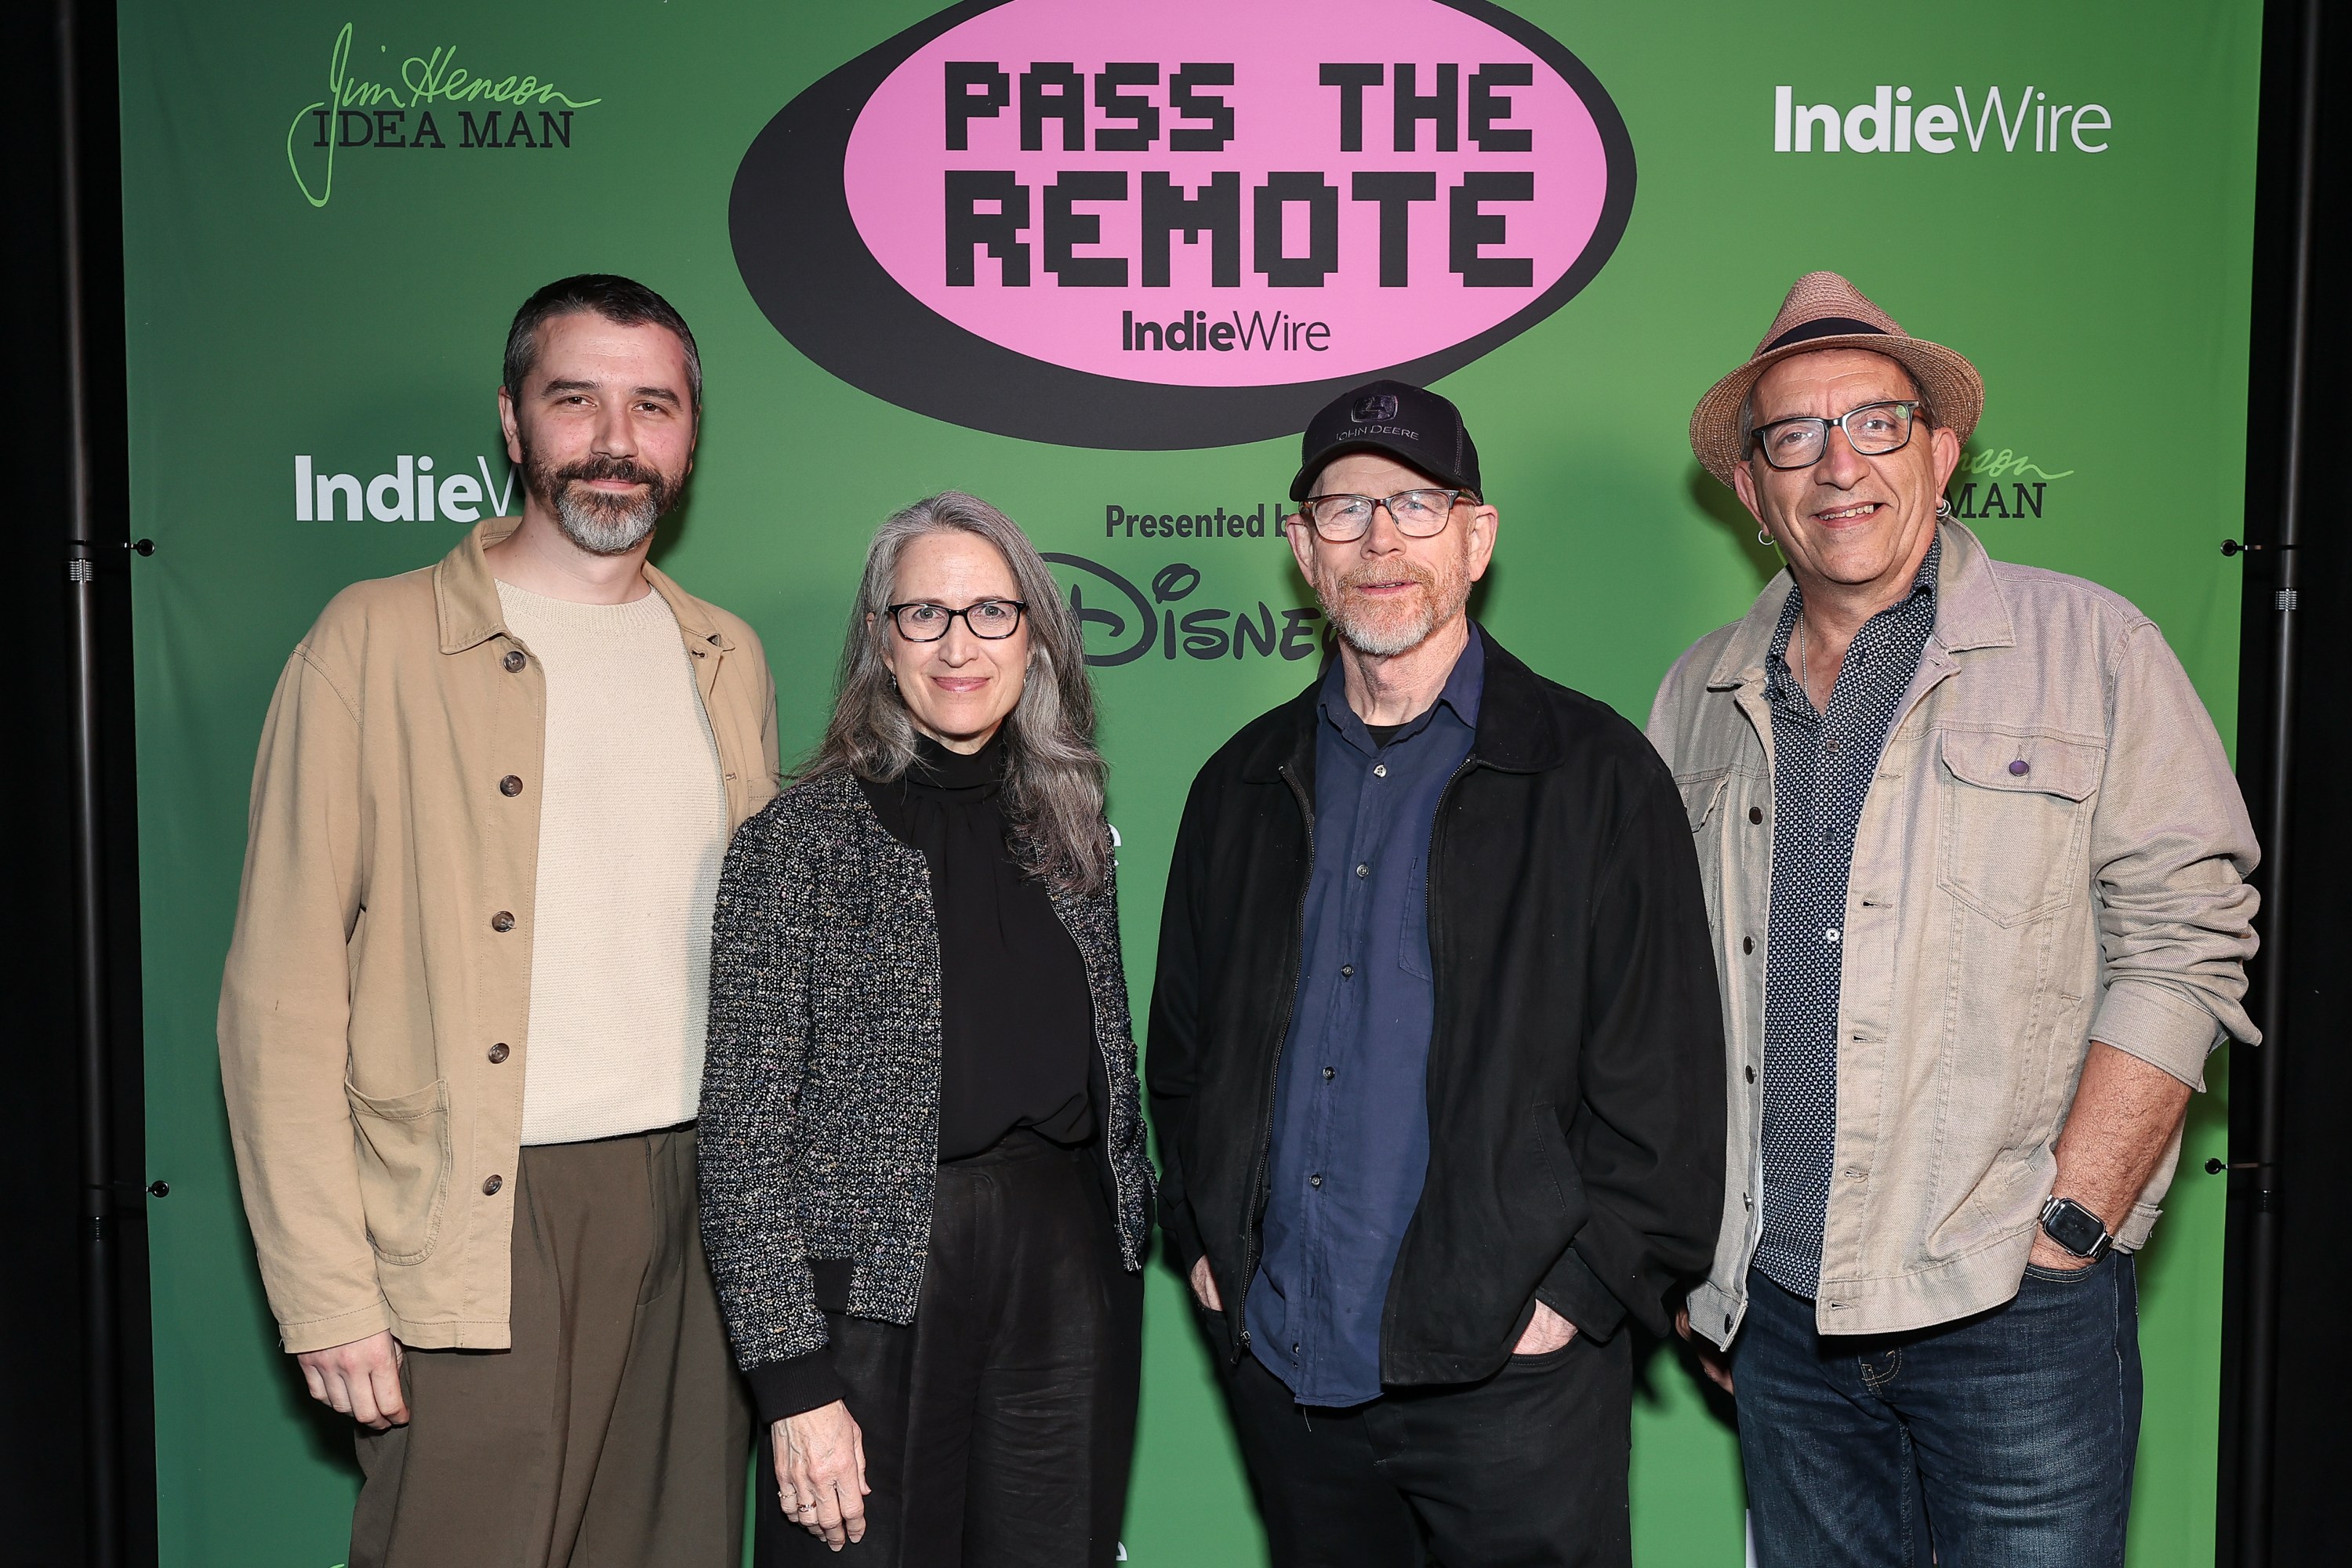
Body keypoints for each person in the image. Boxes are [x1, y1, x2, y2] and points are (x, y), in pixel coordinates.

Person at [1652, 271, 2261, 1566]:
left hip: (2010, 1308)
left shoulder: (2091, 648)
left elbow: (2188, 938)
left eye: (1873, 424)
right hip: (1782, 1321)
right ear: (1752, 492)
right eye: (1793, 437)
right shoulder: (1694, 697)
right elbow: (1663, 998)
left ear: (1939, 448)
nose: (1837, 467)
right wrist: (1705, 1271)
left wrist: (2075, 1222)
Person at [217, 274, 777, 1565]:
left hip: (703, 1207)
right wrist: (325, 1292)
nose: (616, 441)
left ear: (690, 438)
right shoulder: (373, 644)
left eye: (654, 407)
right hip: (476, 1217)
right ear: (515, 425)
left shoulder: (725, 657)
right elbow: (280, 1001)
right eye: (576, 399)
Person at [1147, 379, 1725, 1567]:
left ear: (1477, 535)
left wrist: (1577, 1290)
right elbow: (1183, 1055)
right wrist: (1204, 1233)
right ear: (1301, 544)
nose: (1381, 544)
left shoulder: (1595, 776)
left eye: (1416, 505)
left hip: (1512, 1380)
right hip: (1291, 1371)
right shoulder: (1238, 788)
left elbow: (1665, 1087)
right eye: (1346, 509)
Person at [698, 492, 1152, 1565]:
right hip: (869, 1287)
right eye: (925, 615)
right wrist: (793, 1387)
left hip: (1063, 1268)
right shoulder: (795, 843)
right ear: (878, 638)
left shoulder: (1071, 825)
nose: (961, 645)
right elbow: (741, 1135)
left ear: (1033, 635)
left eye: (991, 613)